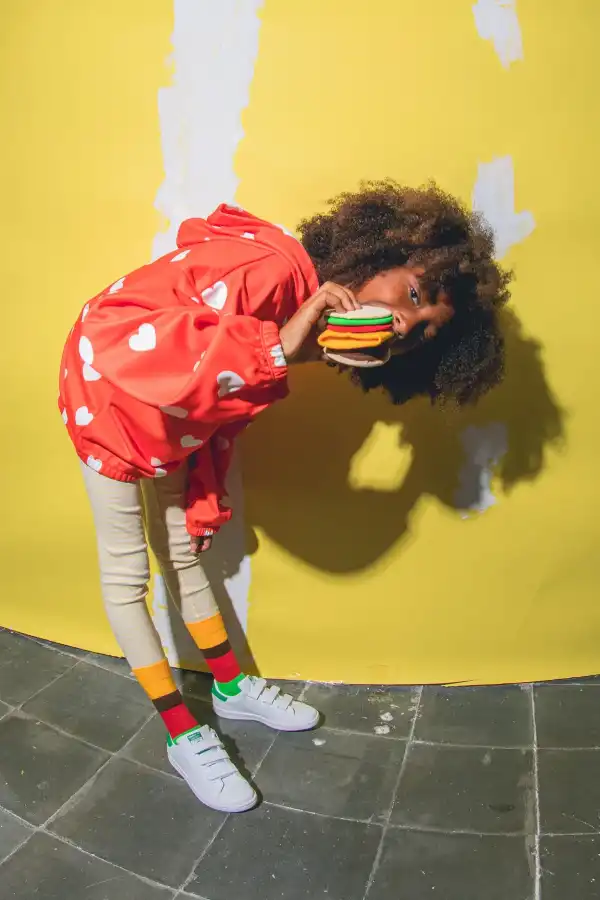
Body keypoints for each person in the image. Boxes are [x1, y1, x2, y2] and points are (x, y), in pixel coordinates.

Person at [58, 180, 510, 813]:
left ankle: (230, 688)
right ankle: (183, 734)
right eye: (413, 294)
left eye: (420, 333)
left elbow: (230, 371)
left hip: (173, 416)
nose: (405, 323)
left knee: (181, 554)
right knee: (127, 574)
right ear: (380, 255)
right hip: (108, 398)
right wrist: (278, 346)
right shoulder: (267, 269)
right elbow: (115, 325)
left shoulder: (308, 307)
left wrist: (301, 349)